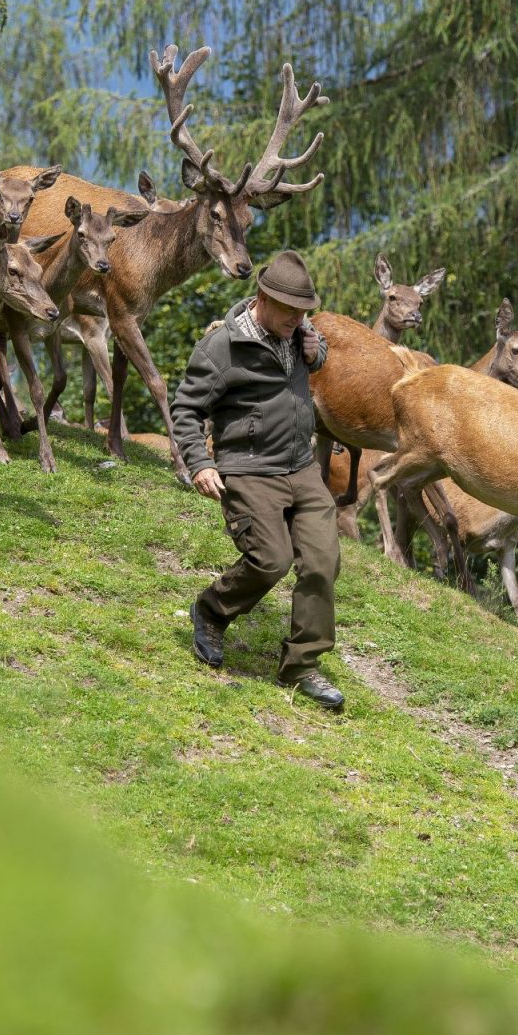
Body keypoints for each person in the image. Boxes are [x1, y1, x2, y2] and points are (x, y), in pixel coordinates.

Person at [168, 250, 345, 711]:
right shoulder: (222, 348)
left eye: (305, 311)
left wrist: (317, 350)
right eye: (290, 311)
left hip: (302, 468)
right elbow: (185, 409)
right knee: (270, 560)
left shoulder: (299, 333)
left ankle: (302, 665)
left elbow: (312, 360)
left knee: (322, 562)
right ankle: (211, 611)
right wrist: (199, 463)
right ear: (263, 298)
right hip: (248, 469)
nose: (299, 319)